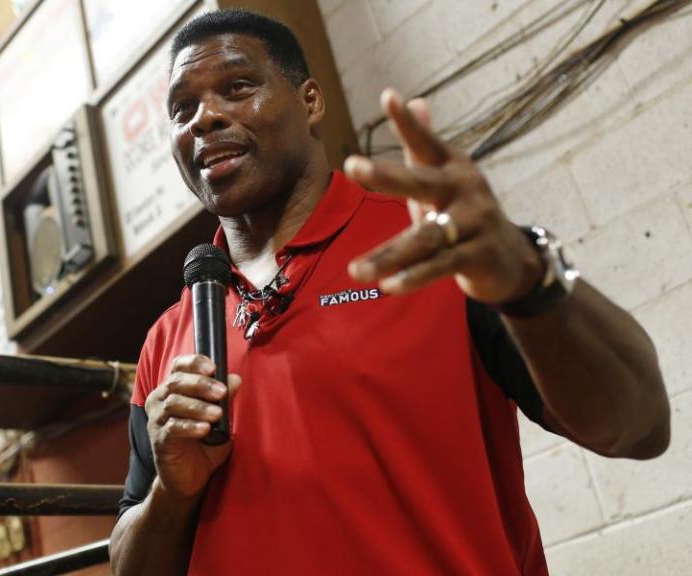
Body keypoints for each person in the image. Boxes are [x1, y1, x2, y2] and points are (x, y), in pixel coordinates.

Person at [109, 9, 671, 575]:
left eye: (237, 87)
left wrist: (526, 274)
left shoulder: (434, 248)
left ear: (310, 102)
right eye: (183, 109)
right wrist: (171, 495)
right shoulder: (166, 342)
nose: (204, 119)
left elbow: (639, 426)